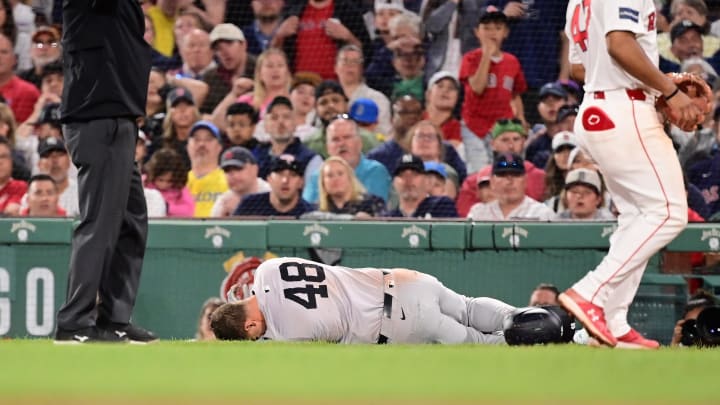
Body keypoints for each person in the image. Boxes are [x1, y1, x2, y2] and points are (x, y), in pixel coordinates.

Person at [558, 0, 703, 349]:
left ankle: (612, 319)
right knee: (669, 213)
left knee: (637, 217)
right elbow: (619, 44)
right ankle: (591, 291)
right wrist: (668, 91)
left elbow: (579, 69)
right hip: (625, 111)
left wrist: (652, 83)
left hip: (595, 108)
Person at [55, 0, 157, 344]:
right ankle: (74, 322)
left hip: (119, 118)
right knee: (100, 222)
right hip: (98, 117)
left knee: (131, 220)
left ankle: (113, 319)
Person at [210, 256, 516, 344]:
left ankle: (539, 339)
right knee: (469, 306)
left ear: (249, 324)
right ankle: (536, 318)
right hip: (404, 281)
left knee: (483, 346)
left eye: (250, 336)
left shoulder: (290, 332)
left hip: (399, 323)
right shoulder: (267, 269)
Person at [459, 7, 527, 173]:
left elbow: (515, 93)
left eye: (497, 28)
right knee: (480, 171)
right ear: (477, 32)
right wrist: (486, 56)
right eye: (486, 28)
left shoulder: (512, 62)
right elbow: (477, 87)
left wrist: (521, 118)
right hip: (474, 126)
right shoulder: (470, 58)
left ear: (505, 33)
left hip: (502, 127)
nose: (492, 33)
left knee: (508, 169)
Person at [466, 153, 554, 221]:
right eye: (502, 175)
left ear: (525, 180)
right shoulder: (478, 213)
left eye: (516, 175)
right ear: (492, 181)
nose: (509, 180)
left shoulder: (542, 214)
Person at [233, 154, 315, 217]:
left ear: (301, 182)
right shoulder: (250, 205)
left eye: (292, 175)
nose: (285, 180)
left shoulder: (309, 215)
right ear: (269, 179)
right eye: (280, 174)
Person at [383, 153, 458, 218]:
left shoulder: (441, 206)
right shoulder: (387, 219)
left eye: (414, 174)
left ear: (426, 181)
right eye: (402, 175)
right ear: (394, 183)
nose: (408, 180)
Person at [314, 156, 385, 216]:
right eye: (330, 175)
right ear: (323, 183)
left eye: (340, 174)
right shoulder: (317, 211)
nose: (336, 179)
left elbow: (385, 229)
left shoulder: (372, 203)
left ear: (350, 177)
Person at [210, 146, 270, 218]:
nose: (233, 175)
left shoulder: (270, 193)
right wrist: (223, 216)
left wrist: (240, 210)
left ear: (254, 169)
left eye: (238, 169)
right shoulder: (223, 202)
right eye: (227, 171)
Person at [186, 120, 228, 217]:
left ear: (219, 147)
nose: (202, 144)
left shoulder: (229, 181)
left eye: (208, 139)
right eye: (196, 139)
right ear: (188, 147)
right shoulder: (178, 182)